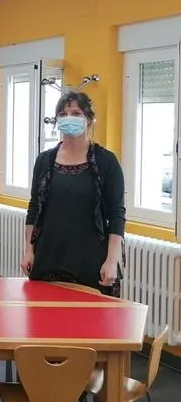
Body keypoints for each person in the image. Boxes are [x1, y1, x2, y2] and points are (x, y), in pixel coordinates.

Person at [22, 92, 125, 296]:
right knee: (45, 312)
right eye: (63, 113)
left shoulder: (106, 161)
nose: (69, 117)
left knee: (91, 314)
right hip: (49, 256)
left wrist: (112, 260)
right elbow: (34, 208)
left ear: (89, 119)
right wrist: (28, 250)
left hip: (91, 259)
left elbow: (117, 214)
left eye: (76, 113)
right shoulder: (44, 160)